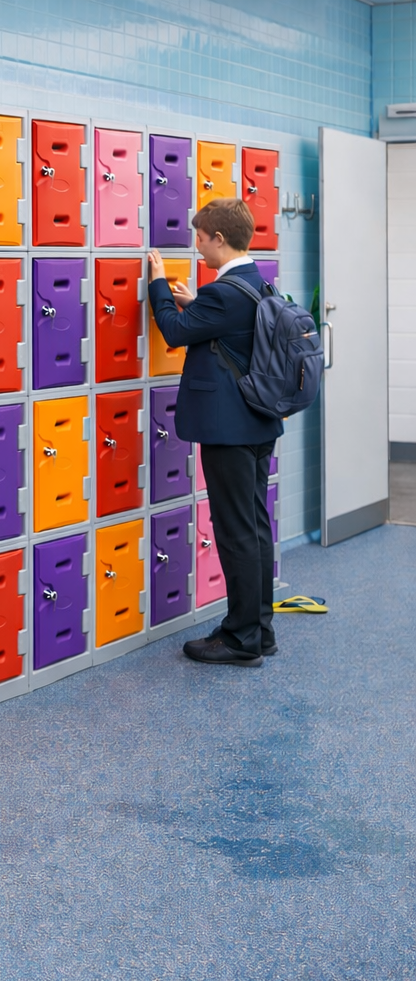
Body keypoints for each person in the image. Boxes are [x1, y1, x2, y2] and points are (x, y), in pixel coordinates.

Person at [147, 198, 282, 667]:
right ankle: (259, 630)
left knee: (235, 531)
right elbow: (224, 328)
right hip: (258, 422)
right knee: (256, 526)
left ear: (218, 239)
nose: (197, 246)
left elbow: (174, 331)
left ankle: (241, 638)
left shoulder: (224, 292)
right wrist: (194, 303)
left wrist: (158, 285)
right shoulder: (257, 282)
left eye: (200, 238)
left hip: (229, 428)